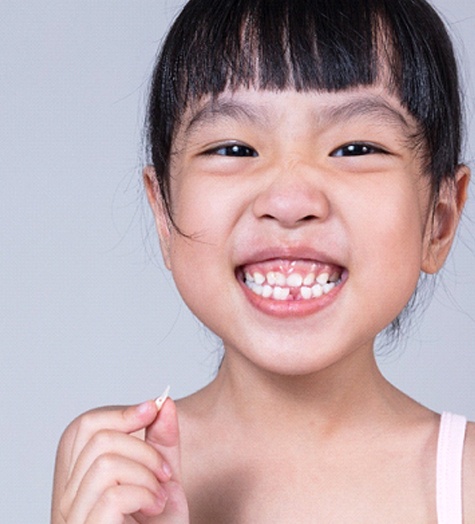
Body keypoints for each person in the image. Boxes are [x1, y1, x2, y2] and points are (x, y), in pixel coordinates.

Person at [51, 0, 474, 521]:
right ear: (163, 214)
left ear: (440, 217)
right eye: (233, 149)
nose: (290, 200)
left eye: (355, 147)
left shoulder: (467, 477)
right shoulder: (116, 463)